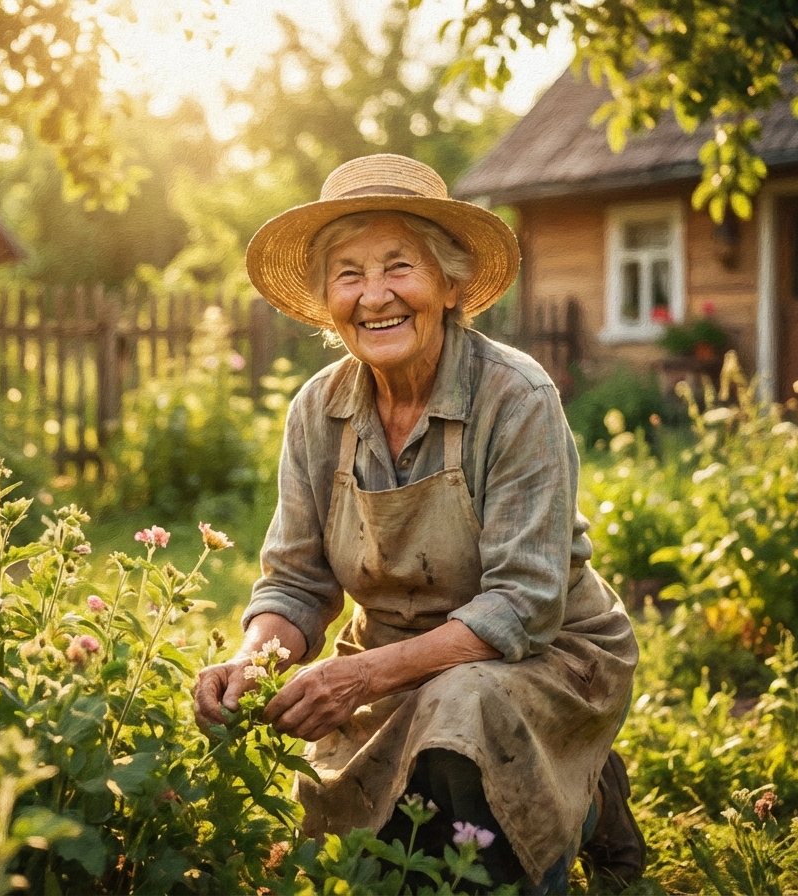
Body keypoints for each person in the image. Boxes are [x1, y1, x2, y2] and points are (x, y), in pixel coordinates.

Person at [193, 154, 644, 893]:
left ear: (450, 283)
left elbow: (526, 604)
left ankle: (567, 818)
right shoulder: (318, 409)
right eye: (348, 273)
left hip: (550, 656)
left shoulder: (516, 397)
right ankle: (573, 799)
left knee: (460, 718)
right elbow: (296, 582)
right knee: (379, 862)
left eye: (399, 266)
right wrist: (252, 659)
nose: (374, 296)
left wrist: (361, 675)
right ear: (325, 300)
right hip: (396, 661)